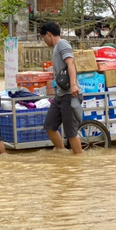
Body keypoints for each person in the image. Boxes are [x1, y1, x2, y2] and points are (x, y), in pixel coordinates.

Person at [39, 22, 83, 154]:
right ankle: (62, 152)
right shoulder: (57, 48)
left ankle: (78, 158)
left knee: (71, 132)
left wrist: (74, 85)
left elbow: (71, 63)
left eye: (43, 38)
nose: (44, 41)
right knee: (49, 126)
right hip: (60, 94)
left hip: (69, 94)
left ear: (49, 34)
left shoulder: (62, 44)